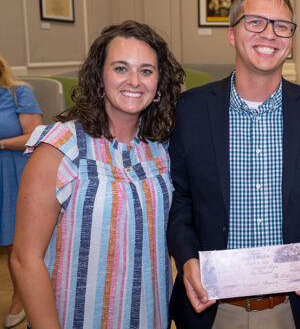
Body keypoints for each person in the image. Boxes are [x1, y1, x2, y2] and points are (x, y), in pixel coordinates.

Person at [167, 0, 300, 328]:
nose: (270, 35)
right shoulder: (191, 109)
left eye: (281, 26)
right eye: (256, 23)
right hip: (213, 307)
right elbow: (180, 197)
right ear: (232, 34)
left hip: (290, 308)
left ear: (290, 40)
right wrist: (187, 259)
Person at [11, 20, 185, 328]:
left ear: (159, 83)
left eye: (146, 70)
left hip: (150, 317)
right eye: (120, 68)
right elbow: (25, 260)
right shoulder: (61, 147)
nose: (134, 80)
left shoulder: (163, 149)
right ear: (99, 77)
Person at [0, 54, 42, 328]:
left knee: (17, 244)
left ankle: (20, 297)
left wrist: (1, 143)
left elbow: (35, 134)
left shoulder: (18, 93)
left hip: (12, 171)